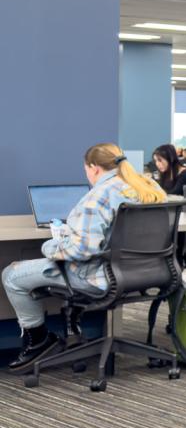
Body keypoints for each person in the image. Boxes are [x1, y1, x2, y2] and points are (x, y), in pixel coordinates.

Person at [2, 143, 166, 371]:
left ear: (93, 168)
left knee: (11, 275)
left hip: (100, 278)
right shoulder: (150, 187)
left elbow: (82, 251)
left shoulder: (97, 197)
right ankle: (67, 330)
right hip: (149, 273)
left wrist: (51, 246)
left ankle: (38, 340)